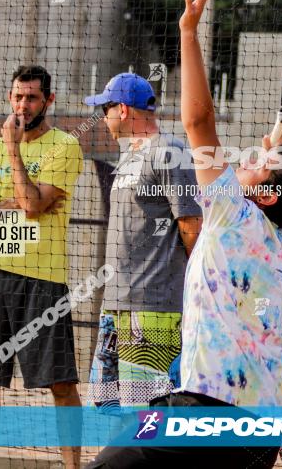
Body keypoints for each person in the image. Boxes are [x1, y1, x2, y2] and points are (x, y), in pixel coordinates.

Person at [86, 0, 282, 468]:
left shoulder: (229, 213)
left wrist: (189, 33)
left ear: (262, 195)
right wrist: (271, 154)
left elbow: (198, 121)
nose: (241, 161)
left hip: (201, 414)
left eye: (250, 166)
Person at [0, 64, 84, 469]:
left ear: (48, 100)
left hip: (43, 279)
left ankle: (72, 466)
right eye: (17, 96)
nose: (22, 104)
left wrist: (14, 153)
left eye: (31, 97)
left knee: (61, 383)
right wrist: (18, 201)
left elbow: (32, 206)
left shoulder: (65, 145)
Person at [83, 73, 202, 410]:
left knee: (146, 419)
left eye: (105, 107)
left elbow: (191, 225)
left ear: (122, 109)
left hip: (153, 310)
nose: (102, 115)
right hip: (116, 307)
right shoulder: (130, 156)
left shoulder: (168, 151)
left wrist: (194, 295)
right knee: (106, 412)